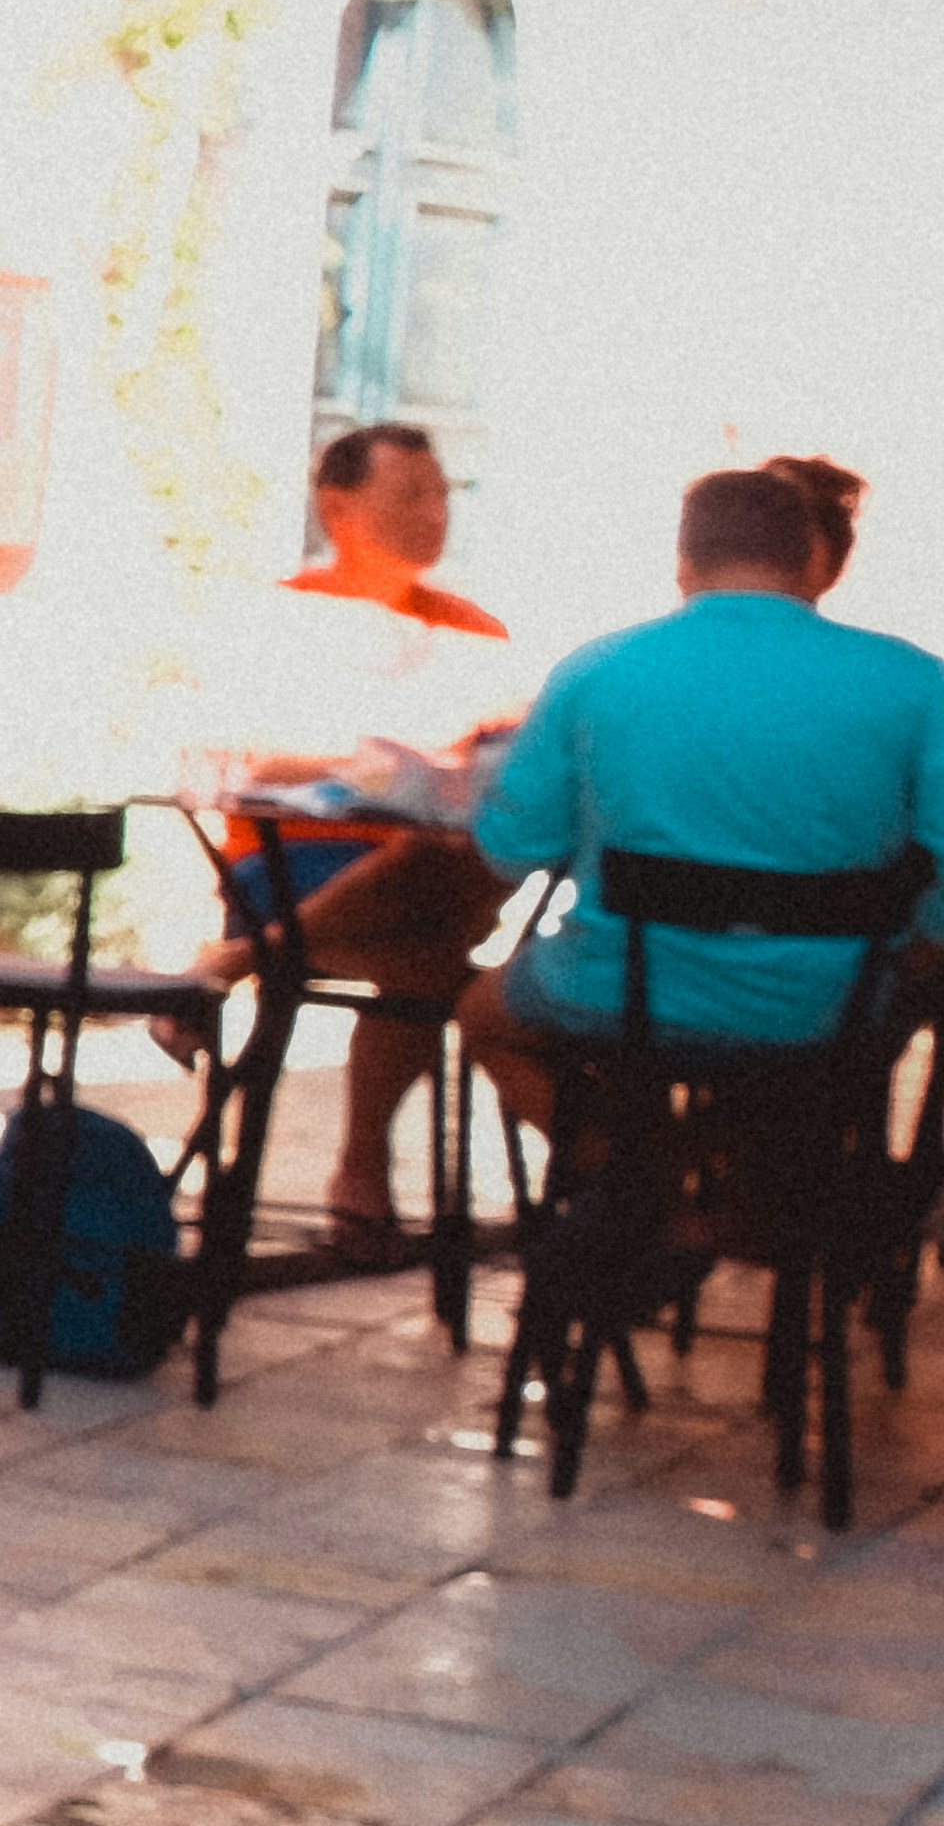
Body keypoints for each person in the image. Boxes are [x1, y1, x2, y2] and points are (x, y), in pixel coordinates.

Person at [455, 455, 944, 1151]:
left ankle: (637, 1181)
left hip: (621, 992)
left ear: (684, 562)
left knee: (484, 1016)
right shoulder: (918, 682)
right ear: (811, 558)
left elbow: (512, 848)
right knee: (821, 1063)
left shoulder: (598, 669)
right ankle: (737, 1184)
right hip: (827, 1008)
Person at [185, 421, 525, 1255]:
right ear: (338, 508)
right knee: (432, 954)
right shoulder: (283, 615)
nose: (434, 513)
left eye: (442, 495)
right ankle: (361, 1167)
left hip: (435, 866)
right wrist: (380, 764)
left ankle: (235, 962)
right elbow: (239, 754)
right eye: (410, 495)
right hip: (296, 857)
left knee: (465, 860)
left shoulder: (475, 630)